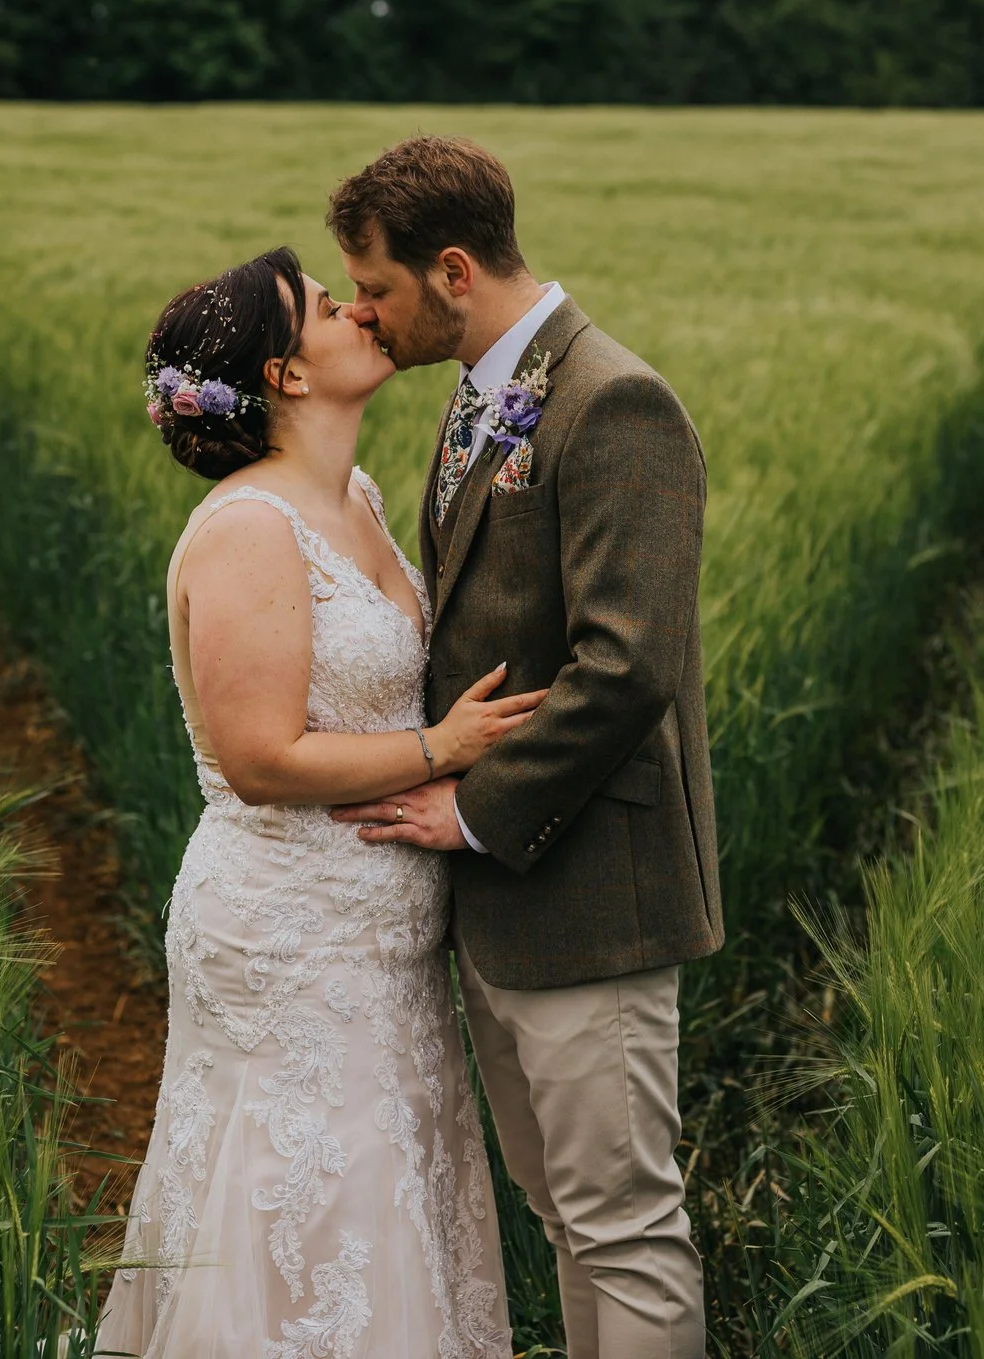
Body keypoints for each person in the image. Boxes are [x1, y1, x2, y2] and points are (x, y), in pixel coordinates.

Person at [325, 136, 724, 1359]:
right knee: (562, 1217)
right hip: (506, 899)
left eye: (379, 289)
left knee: (623, 1223)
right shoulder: (483, 388)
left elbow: (625, 666)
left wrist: (474, 808)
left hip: (588, 890)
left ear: (453, 270)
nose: (364, 316)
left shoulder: (615, 401)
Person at [97, 245, 526, 1358]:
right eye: (331, 306)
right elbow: (261, 756)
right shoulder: (248, 527)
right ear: (287, 373)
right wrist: (440, 745)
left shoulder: (360, 499)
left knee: (387, 1203)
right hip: (289, 929)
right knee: (295, 1211)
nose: (362, 310)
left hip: (383, 937)